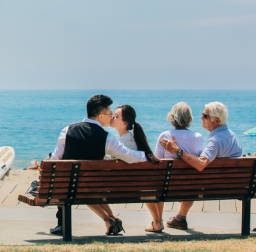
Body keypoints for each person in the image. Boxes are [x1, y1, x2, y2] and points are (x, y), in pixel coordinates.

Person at [47, 94, 147, 236]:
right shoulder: (107, 138)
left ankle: (62, 224)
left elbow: (55, 161)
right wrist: (148, 156)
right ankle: (108, 218)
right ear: (100, 116)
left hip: (66, 188)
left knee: (65, 177)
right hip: (92, 188)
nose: (111, 116)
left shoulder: (67, 130)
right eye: (109, 113)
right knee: (86, 184)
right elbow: (130, 156)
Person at [160, 101, 242, 231]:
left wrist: (177, 151)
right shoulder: (233, 136)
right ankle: (180, 218)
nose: (201, 117)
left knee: (191, 177)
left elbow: (201, 164)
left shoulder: (216, 140)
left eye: (205, 115)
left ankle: (170, 219)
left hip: (212, 186)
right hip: (235, 185)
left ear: (216, 120)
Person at [148, 102, 204, 232]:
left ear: (171, 118)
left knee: (156, 181)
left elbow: (158, 161)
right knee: (189, 183)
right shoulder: (198, 137)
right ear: (190, 119)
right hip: (190, 186)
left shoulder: (165, 136)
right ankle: (181, 218)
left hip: (167, 186)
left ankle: (158, 221)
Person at [109, 105, 162, 233]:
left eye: (116, 116)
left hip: (126, 186)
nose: (112, 117)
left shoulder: (122, 143)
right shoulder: (130, 139)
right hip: (140, 184)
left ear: (125, 123)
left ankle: (157, 221)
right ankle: (157, 221)